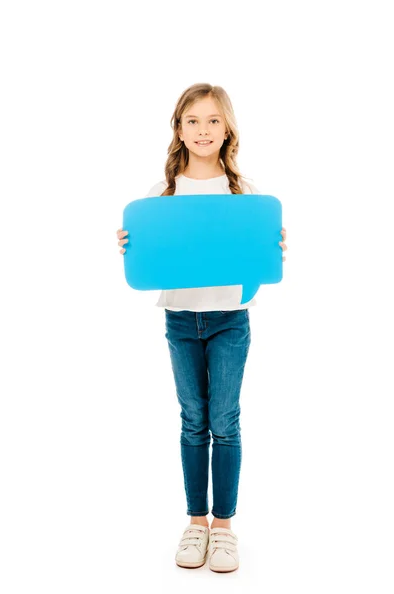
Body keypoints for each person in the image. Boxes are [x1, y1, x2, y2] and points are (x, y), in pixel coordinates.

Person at [116, 83, 287, 573]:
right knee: (193, 421)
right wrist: (131, 245)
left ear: (227, 127)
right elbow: (150, 261)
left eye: (213, 120)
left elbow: (256, 268)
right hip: (179, 320)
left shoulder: (242, 193)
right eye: (193, 121)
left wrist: (271, 251)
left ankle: (224, 530)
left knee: (225, 422)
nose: (203, 129)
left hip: (230, 318)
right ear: (179, 129)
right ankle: (195, 523)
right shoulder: (162, 194)